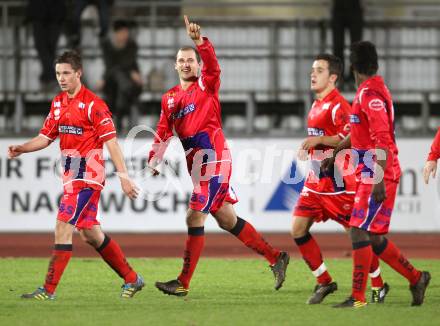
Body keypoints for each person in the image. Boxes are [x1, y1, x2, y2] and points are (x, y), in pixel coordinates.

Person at [148, 16, 290, 297]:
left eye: (191, 60)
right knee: (226, 219)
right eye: (182, 60)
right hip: (196, 165)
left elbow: (213, 65)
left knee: (194, 216)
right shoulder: (169, 99)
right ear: (175, 66)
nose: (187, 64)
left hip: (215, 160)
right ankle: (276, 257)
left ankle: (183, 282)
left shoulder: (207, 86)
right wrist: (155, 157)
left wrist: (199, 42)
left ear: (198, 65)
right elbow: (163, 131)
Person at [8, 51, 144, 300]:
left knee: (63, 226)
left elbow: (112, 143)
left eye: (66, 73)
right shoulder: (58, 103)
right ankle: (132, 279)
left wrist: (124, 177)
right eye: (58, 73)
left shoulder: (94, 105)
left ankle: (47, 291)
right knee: (90, 233)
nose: (61, 78)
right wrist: (23, 148)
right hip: (71, 178)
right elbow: (45, 137)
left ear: (78, 73)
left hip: (88, 178)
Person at [322, 41, 430, 308]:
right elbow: (359, 133)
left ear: (352, 66)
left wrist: (378, 179)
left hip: (377, 173)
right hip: (372, 171)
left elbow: (381, 139)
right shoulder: (368, 92)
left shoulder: (371, 96)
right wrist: (336, 153)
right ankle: (416, 278)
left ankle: (357, 298)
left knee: (358, 230)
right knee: (374, 237)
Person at [292, 53, 388, 305]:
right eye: (312, 69)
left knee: (357, 235)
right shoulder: (316, 104)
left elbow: (354, 136)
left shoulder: (339, 106)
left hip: (338, 185)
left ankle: (378, 283)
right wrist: (313, 146)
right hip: (316, 182)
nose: (313, 74)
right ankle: (324, 281)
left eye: (320, 70)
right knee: (298, 229)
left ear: (333, 77)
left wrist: (319, 140)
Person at [99, 19, 143, 132]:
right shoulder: (107, 45)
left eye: (126, 32)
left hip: (128, 82)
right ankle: (119, 117)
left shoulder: (132, 45)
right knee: (120, 81)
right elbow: (111, 64)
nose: (125, 35)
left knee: (122, 85)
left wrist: (128, 71)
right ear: (116, 33)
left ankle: (117, 118)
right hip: (113, 79)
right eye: (122, 32)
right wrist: (130, 71)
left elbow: (127, 62)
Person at [26, 0, 66, 89]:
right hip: (50, 12)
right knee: (47, 46)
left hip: (47, 11)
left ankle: (48, 76)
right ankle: (49, 76)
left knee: (46, 46)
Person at [331, 0, 364, 88]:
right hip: (342, 7)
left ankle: (352, 77)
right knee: (338, 45)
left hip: (353, 6)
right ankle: (341, 77)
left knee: (356, 47)